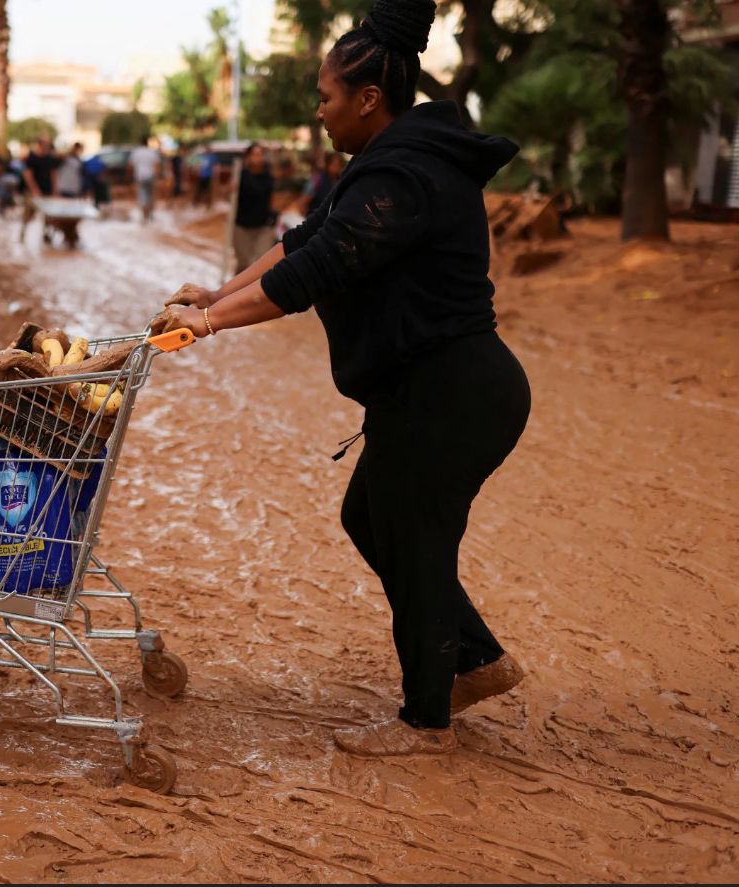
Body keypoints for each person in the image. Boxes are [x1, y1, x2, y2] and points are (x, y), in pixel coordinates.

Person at [156, 0, 530, 758]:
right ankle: (477, 659)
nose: (318, 111)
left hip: (454, 390)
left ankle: (426, 721)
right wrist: (218, 293)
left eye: (325, 97)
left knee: (414, 535)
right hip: (426, 389)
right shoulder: (383, 163)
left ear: (367, 99)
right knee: (371, 515)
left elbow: (322, 268)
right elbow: (305, 239)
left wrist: (216, 324)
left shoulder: (410, 173)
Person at [232, 142, 276, 273]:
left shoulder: (268, 176)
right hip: (242, 227)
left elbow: (272, 198)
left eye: (261, 154)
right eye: (255, 154)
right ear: (248, 157)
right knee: (244, 265)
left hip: (263, 226)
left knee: (261, 265)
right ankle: (236, 291)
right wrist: (230, 188)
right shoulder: (240, 175)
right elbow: (225, 194)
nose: (259, 158)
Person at [298, 151, 346, 216]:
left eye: (340, 165)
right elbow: (303, 201)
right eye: (335, 165)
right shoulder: (317, 179)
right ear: (328, 164)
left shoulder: (341, 180)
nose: (337, 168)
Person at [130, 136, 161, 222]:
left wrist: (130, 177)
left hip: (140, 176)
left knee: (142, 195)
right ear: (147, 143)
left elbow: (130, 165)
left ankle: (145, 217)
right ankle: (151, 215)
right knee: (151, 195)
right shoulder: (152, 152)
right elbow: (157, 166)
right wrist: (158, 177)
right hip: (151, 176)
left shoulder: (136, 152)